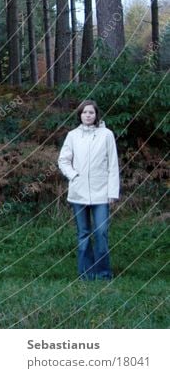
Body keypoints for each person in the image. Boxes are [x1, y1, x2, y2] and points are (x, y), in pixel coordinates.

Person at [58, 99, 120, 280]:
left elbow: (113, 164)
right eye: (84, 112)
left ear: (96, 115)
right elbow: (63, 160)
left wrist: (112, 192)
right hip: (78, 193)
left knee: (101, 232)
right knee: (83, 233)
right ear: (80, 115)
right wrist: (74, 176)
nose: (88, 115)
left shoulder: (106, 135)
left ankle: (103, 273)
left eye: (91, 112)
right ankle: (86, 274)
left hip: (102, 193)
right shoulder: (73, 135)